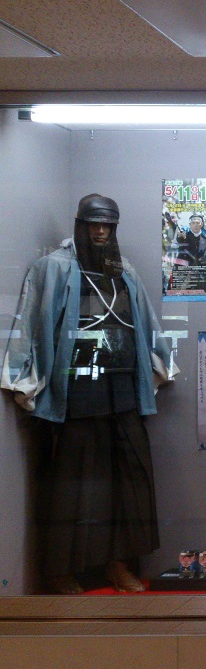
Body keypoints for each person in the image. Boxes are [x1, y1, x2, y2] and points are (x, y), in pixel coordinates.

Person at [1, 194, 178, 594]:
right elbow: (29, 319)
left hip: (122, 387)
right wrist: (18, 374)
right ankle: (62, 570)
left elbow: (145, 321)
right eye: (94, 224)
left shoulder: (123, 271)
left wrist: (160, 361)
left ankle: (118, 564)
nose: (100, 232)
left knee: (127, 481)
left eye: (107, 225)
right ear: (80, 224)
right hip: (78, 388)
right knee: (73, 484)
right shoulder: (52, 267)